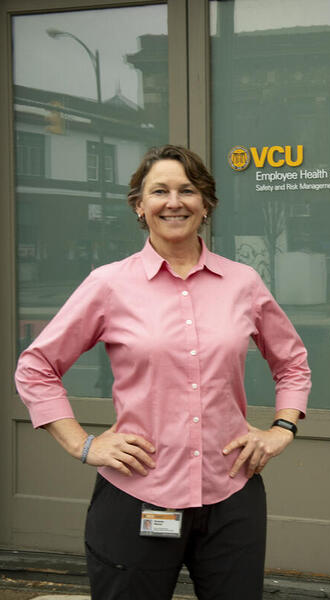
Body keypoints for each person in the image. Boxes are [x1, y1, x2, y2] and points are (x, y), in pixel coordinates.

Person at [14, 145, 311, 599]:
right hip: (137, 492)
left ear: (206, 203)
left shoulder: (243, 283)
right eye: (160, 191)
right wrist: (82, 443)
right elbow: (36, 366)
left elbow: (291, 362)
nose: (175, 201)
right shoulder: (109, 284)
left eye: (187, 190)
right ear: (140, 205)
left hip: (231, 493)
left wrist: (282, 429)